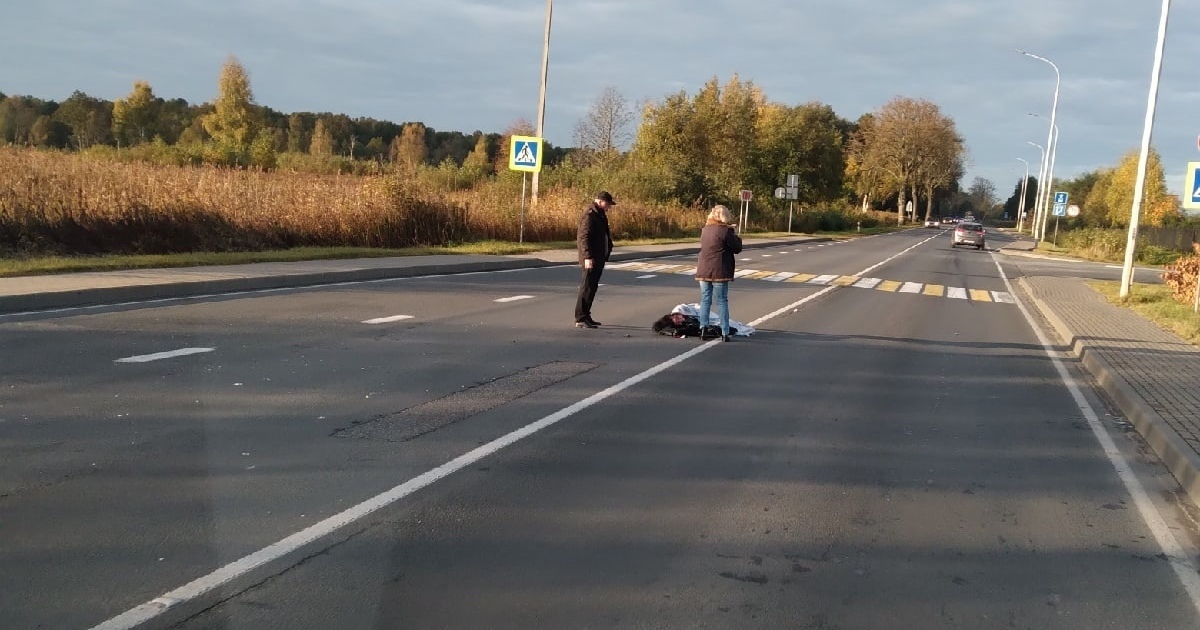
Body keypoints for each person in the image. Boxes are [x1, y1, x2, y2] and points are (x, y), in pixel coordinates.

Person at [695, 205, 743, 342]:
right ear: (724, 216)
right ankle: (724, 332)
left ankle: (703, 328)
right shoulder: (725, 231)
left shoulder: (704, 230)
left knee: (705, 299)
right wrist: (735, 233)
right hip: (719, 270)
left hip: (704, 269)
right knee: (722, 301)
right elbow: (737, 248)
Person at [575, 191, 615, 328]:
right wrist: (587, 257)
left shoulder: (599, 215)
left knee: (592, 288)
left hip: (598, 258)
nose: (609, 207)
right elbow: (583, 237)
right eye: (608, 204)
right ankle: (581, 317)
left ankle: (586, 315)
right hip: (591, 258)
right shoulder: (590, 215)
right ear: (600, 201)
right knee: (587, 287)